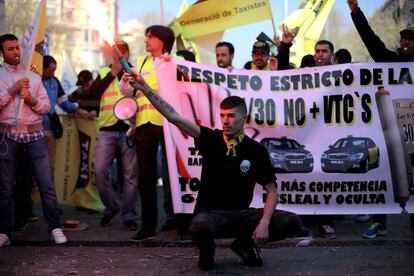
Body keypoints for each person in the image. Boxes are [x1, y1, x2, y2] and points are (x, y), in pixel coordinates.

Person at [121, 70, 309, 271]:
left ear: (243, 118)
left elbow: (271, 191)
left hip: (242, 215)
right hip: (212, 215)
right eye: (222, 116)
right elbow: (173, 116)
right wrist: (145, 89)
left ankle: (244, 245)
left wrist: (264, 222)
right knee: (198, 226)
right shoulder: (210, 139)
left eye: (231, 116)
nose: (225, 121)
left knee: (291, 222)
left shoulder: (256, 150)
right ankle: (207, 249)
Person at [347, 0, 414, 238]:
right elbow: (370, 39)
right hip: (392, 131)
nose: (405, 41)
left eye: (410, 39)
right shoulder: (389, 62)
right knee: (387, 174)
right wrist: (356, 13)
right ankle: (379, 222)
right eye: (403, 38)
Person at [0, 33, 67, 246]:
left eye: (17, 47)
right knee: (5, 187)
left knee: (46, 183)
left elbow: (46, 108)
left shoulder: (34, 77)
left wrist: (30, 99)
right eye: (9, 49)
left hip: (35, 136)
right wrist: (13, 89)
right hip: (8, 136)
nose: (15, 51)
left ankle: (55, 227)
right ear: (1, 53)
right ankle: (4, 232)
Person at [127, 25, 176, 241]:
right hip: (144, 124)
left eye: (150, 37)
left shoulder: (173, 64)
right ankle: (147, 226)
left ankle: (178, 221)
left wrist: (145, 87)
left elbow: (174, 93)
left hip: (168, 124)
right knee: (145, 177)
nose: (146, 41)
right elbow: (127, 91)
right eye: (146, 37)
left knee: (174, 175)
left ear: (162, 41)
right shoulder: (142, 63)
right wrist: (127, 82)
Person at [88, 40, 139, 231]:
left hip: (128, 128)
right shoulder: (103, 72)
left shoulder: (135, 71)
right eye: (117, 52)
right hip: (107, 129)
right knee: (99, 170)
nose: (120, 55)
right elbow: (93, 92)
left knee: (130, 176)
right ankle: (111, 206)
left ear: (128, 53)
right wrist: (113, 73)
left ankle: (129, 215)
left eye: (123, 51)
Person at [42, 55, 90, 175]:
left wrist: (78, 108)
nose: (53, 74)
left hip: (49, 129)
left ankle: (48, 193)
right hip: (31, 131)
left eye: (54, 70)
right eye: (50, 70)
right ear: (41, 68)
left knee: (49, 166)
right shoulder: (32, 80)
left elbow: (63, 103)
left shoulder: (55, 82)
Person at [312, 39, 337, 239]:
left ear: (331, 55)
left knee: (326, 180)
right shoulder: (306, 75)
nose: (320, 55)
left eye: (324, 51)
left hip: (329, 136)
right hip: (308, 137)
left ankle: (326, 222)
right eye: (317, 51)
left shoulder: (341, 76)